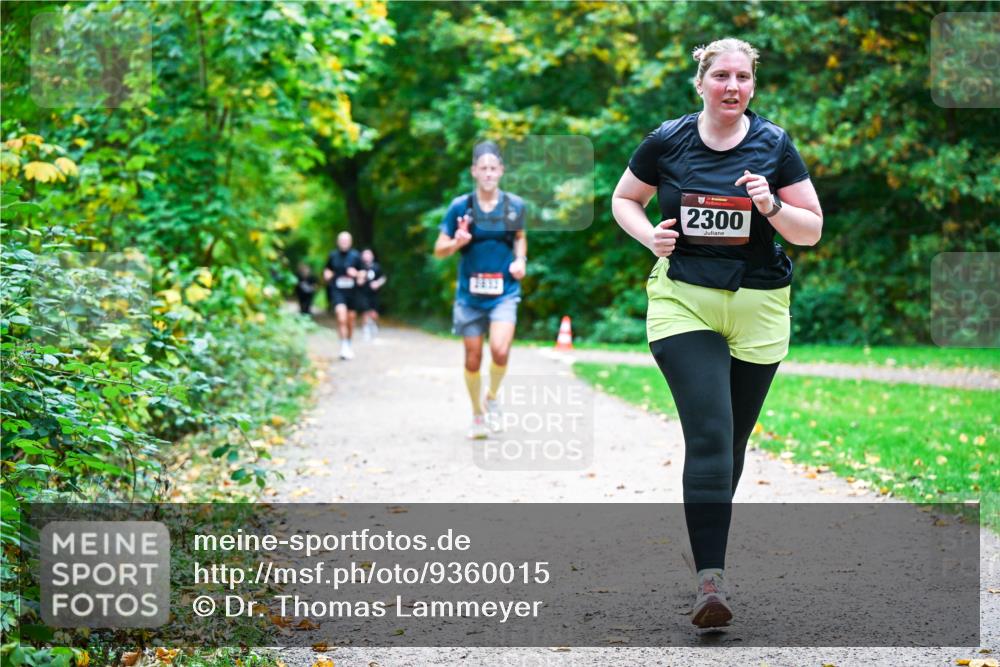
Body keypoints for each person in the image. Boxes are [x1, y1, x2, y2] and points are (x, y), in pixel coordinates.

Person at [611, 38, 823, 629]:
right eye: (722, 75)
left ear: (753, 85)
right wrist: (649, 236)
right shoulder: (668, 139)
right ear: (700, 82)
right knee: (710, 433)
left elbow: (810, 230)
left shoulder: (774, 144)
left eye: (743, 77)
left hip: (759, 304)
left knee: (731, 445)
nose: (733, 86)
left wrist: (771, 207)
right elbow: (625, 199)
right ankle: (711, 581)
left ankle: (704, 532)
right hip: (684, 301)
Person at [434, 141, 527, 440]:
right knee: (472, 359)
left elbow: (520, 237)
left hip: (504, 293)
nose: (488, 173)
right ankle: (477, 412)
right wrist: (457, 242)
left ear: (501, 171)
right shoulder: (460, 207)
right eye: (483, 168)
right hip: (470, 297)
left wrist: (520, 260)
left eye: (493, 168)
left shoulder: (514, 206)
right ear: (474, 171)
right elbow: (439, 250)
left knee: (500, 350)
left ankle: (492, 397)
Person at [323, 231, 363, 360]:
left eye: (346, 241)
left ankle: (348, 343)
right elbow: (327, 269)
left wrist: (356, 274)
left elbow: (363, 274)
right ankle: (343, 346)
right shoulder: (333, 255)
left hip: (352, 293)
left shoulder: (356, 256)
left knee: (350, 320)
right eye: (342, 241)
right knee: (341, 317)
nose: (344, 243)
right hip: (338, 291)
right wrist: (327, 274)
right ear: (338, 242)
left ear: (350, 242)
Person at [357, 248, 387, 340]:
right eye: (365, 254)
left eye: (368, 254)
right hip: (363, 293)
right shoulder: (360, 267)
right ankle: (365, 330)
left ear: (372, 256)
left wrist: (378, 283)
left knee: (374, 313)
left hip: (374, 294)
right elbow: (357, 280)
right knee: (365, 312)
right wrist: (360, 280)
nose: (367, 256)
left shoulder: (377, 267)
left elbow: (383, 277)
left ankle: (373, 324)